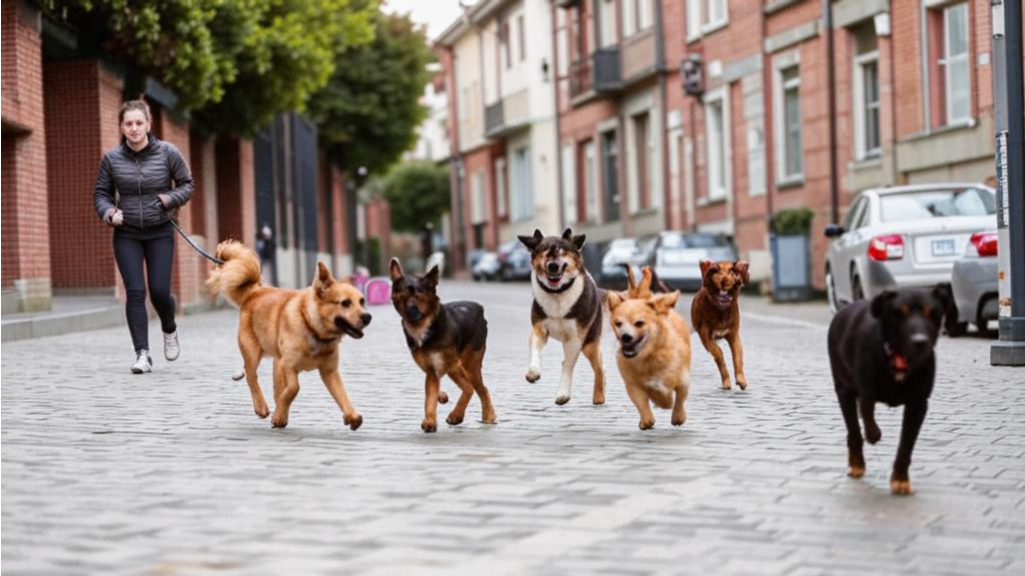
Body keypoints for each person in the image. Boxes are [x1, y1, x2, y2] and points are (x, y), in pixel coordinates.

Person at [93, 100, 194, 374]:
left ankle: (169, 328)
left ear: (149, 124)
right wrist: (109, 212)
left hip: (160, 231)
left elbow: (187, 184)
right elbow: (100, 194)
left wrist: (168, 199)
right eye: (129, 124)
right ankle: (142, 354)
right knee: (135, 292)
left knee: (160, 291)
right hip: (126, 234)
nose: (134, 128)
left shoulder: (167, 153)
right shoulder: (111, 159)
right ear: (122, 127)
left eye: (139, 123)